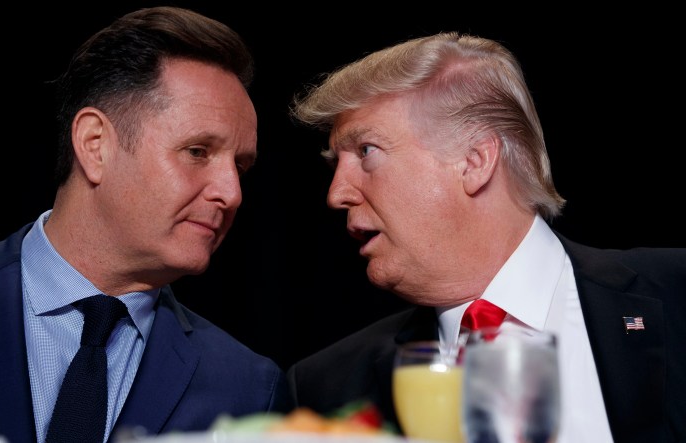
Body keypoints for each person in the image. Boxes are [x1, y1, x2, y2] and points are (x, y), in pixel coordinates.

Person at [286, 31, 685, 443]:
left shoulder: (676, 291)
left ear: (475, 160)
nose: (336, 193)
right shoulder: (325, 389)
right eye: (336, 164)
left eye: (366, 151)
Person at [0, 6, 291, 443]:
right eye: (197, 151)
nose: (232, 193)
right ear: (95, 145)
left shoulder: (249, 389)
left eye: (240, 167)